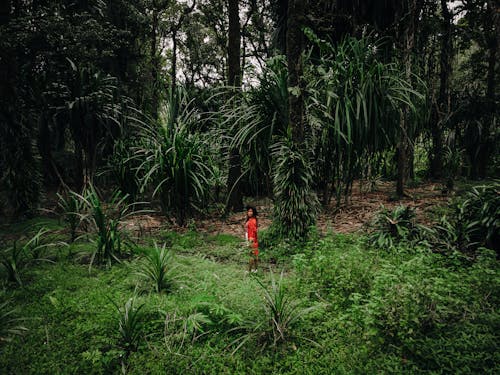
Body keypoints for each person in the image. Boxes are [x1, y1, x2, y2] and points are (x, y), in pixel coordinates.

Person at [244, 206, 259, 272]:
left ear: (253, 212)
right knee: (255, 254)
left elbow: (254, 230)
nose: (250, 213)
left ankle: (249, 270)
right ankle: (255, 270)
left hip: (251, 239)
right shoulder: (250, 219)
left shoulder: (252, 220)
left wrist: (251, 240)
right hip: (250, 238)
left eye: (251, 211)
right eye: (249, 211)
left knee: (251, 255)